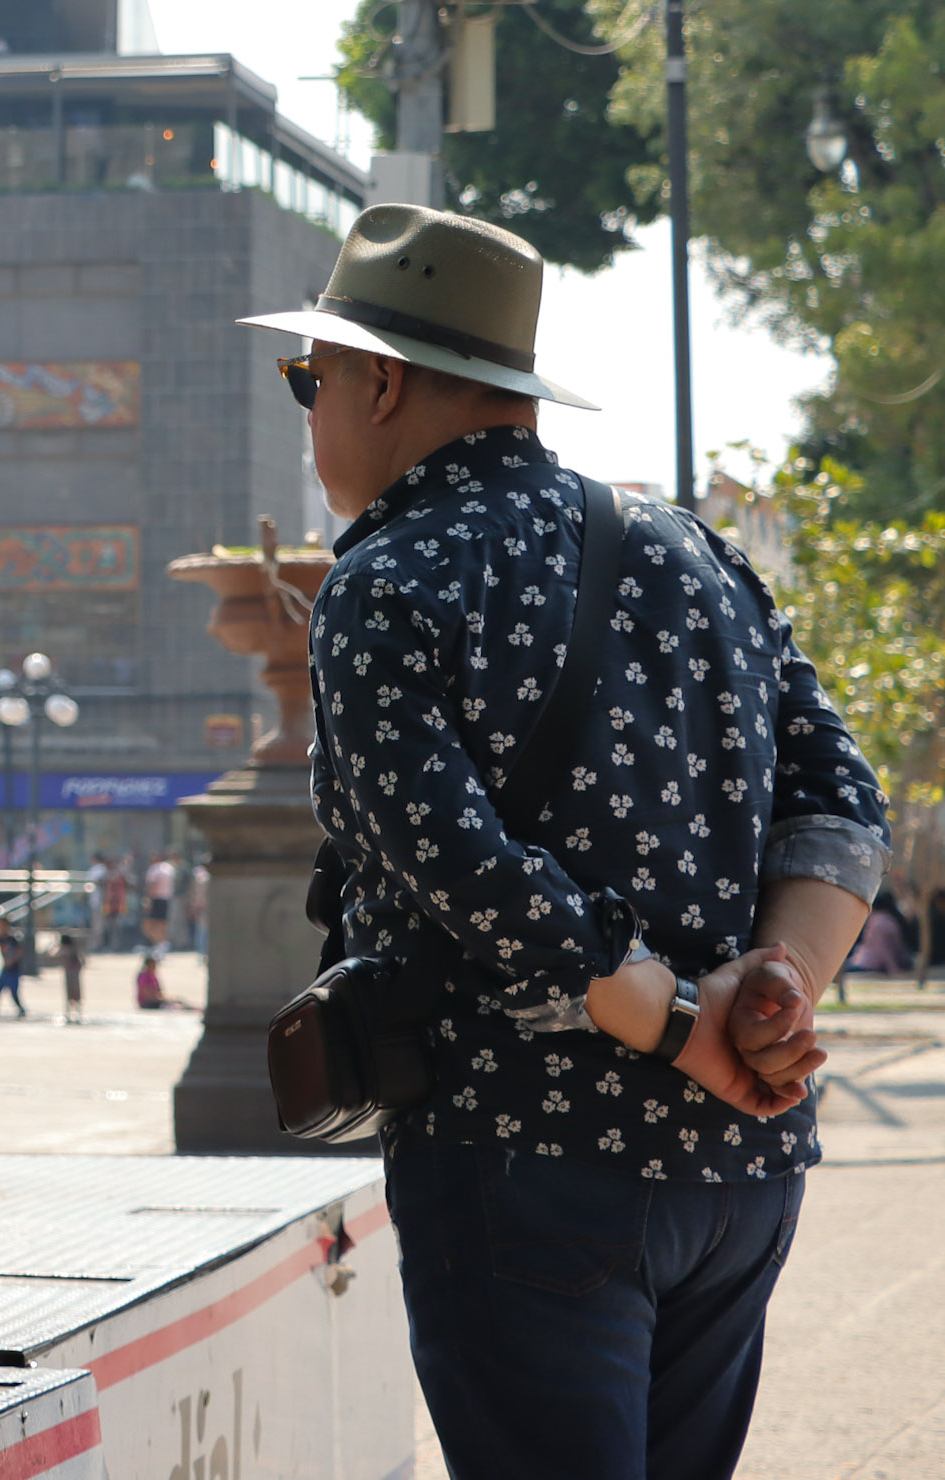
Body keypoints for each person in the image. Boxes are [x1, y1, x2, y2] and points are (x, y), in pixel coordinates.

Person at [241, 204, 887, 1480]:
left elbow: (459, 867)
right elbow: (844, 797)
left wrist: (678, 1025)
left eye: (309, 380)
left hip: (527, 1159)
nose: (308, 415)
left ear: (378, 381)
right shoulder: (697, 553)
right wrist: (777, 988)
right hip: (741, 1165)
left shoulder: (385, 579)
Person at [0, 922, 26, 1018]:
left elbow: (20, 950)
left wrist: (11, 960)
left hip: (14, 970)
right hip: (4, 969)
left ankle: (21, 1010)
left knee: (14, 993)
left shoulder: (12, 939)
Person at [142, 853, 176, 951]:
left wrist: (148, 899)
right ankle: (161, 944)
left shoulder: (155, 869)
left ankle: (162, 944)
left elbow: (153, 885)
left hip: (156, 899)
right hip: (166, 899)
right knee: (161, 925)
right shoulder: (169, 869)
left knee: (149, 925)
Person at [56, 928, 85, 1024]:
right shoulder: (74, 949)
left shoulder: (66, 949)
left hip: (70, 975)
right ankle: (77, 1014)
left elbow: (56, 957)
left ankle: (71, 1014)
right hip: (74, 975)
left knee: (70, 996)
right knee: (75, 996)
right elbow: (82, 961)